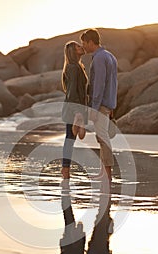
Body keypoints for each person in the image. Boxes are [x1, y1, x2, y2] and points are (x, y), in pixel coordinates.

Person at [80, 29, 118, 185]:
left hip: (101, 104)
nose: (83, 47)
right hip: (107, 103)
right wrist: (112, 104)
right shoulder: (110, 56)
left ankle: (107, 175)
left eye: (84, 43)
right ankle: (104, 172)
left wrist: (94, 108)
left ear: (90, 42)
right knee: (102, 137)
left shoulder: (99, 58)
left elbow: (100, 85)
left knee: (102, 137)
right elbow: (114, 83)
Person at [61, 41, 88, 179]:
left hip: (75, 107)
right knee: (70, 139)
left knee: (71, 139)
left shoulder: (78, 66)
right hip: (73, 108)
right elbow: (72, 92)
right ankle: (65, 169)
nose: (81, 47)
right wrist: (78, 112)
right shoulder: (72, 67)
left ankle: (65, 168)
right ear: (72, 51)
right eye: (78, 46)